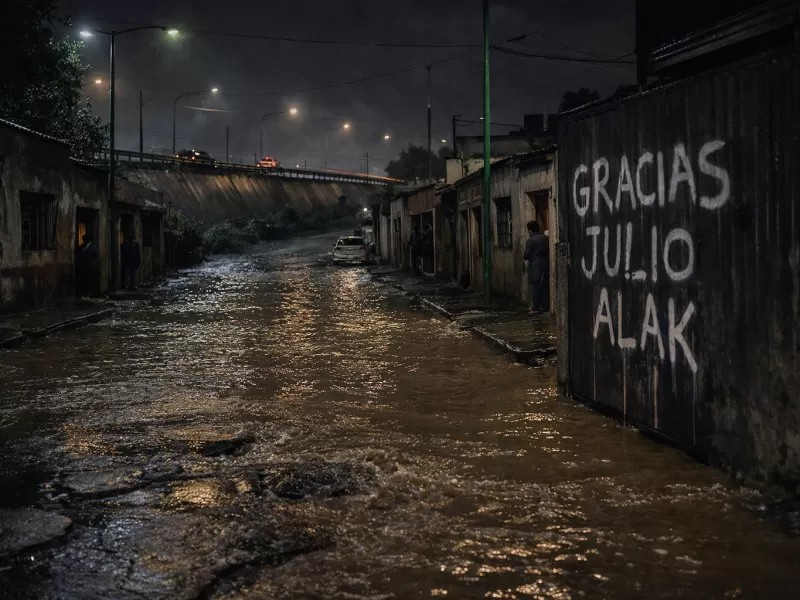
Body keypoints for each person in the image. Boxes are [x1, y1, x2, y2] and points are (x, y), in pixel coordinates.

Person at [523, 221, 549, 314]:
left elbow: (526, 254)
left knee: (536, 285)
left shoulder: (531, 240)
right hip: (546, 263)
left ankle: (535, 307)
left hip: (535, 264)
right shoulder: (545, 238)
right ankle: (545, 306)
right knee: (545, 285)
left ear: (529, 230)